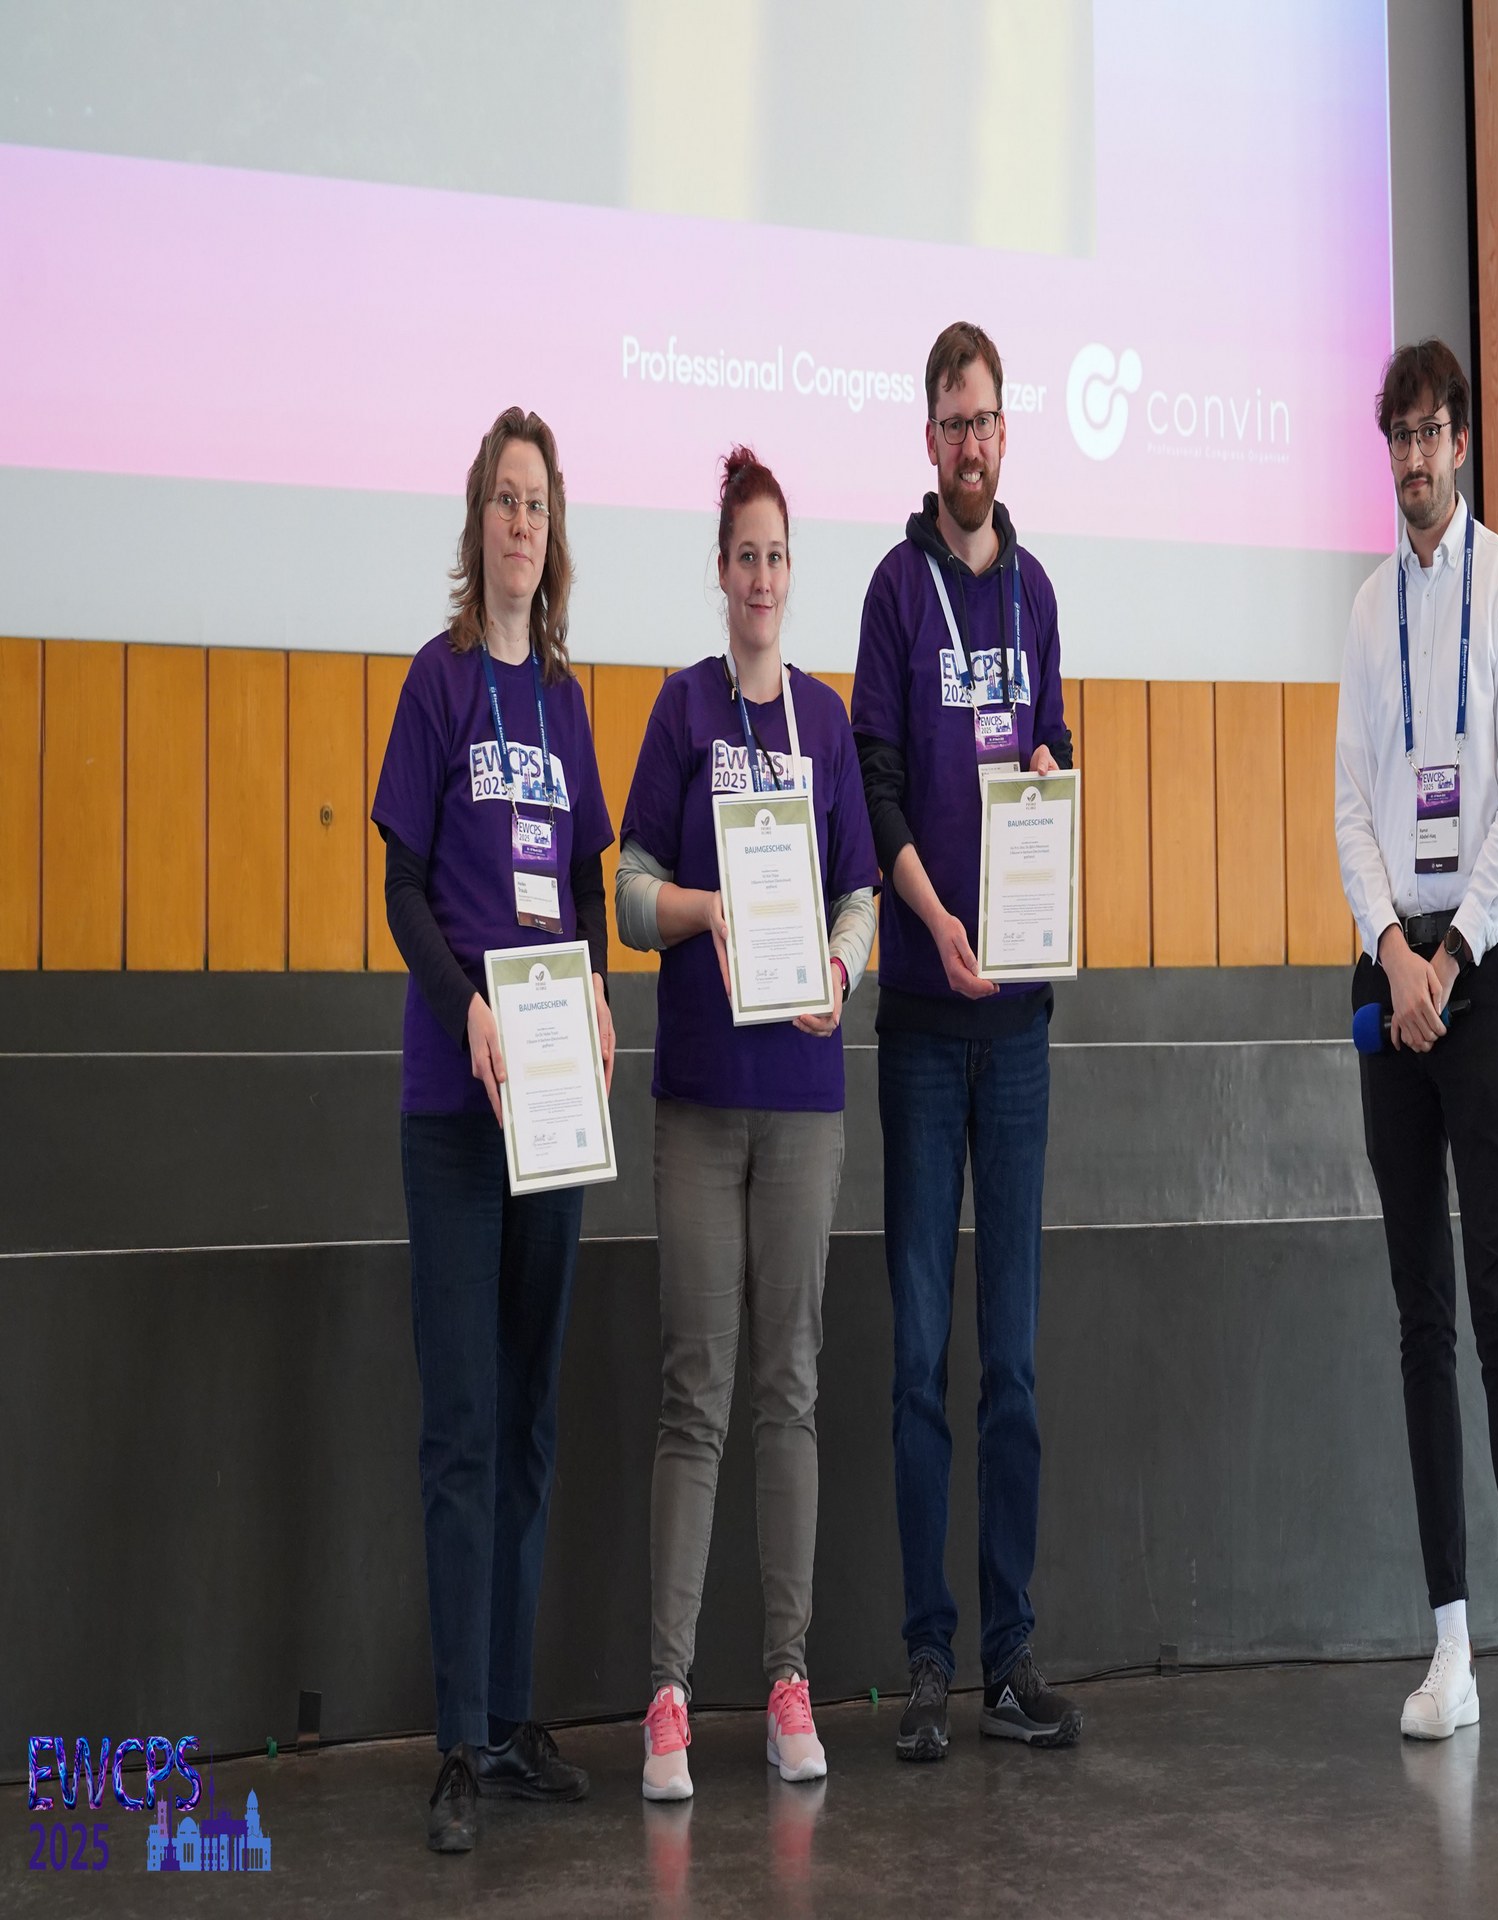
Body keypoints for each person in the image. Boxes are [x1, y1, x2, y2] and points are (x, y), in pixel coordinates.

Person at [1333, 339, 1498, 1760]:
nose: (1417, 458)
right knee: (1419, 1320)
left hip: (1475, 982)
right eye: (1400, 437)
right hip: (1390, 986)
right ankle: (1452, 1650)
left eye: (1434, 433)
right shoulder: (1366, 611)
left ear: (1465, 442)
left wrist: (1451, 957)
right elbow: (1350, 808)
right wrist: (1390, 950)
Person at [616, 447, 878, 1800]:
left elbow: (859, 896)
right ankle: (666, 1692)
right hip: (701, 1102)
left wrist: (836, 967)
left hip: (804, 1104)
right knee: (696, 1391)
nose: (763, 577)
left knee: (791, 1388)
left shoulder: (825, 723)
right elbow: (627, 892)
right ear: (719, 571)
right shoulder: (681, 711)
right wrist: (709, 911)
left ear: (789, 572)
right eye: (745, 556)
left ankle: (787, 1679)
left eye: (779, 556)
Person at [372, 406, 617, 1852]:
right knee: (462, 1423)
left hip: (556, 1109)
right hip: (456, 1109)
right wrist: (466, 1001)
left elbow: (581, 889)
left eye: (537, 504)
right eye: (502, 502)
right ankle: (458, 1742)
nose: (520, 524)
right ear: (477, 525)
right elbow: (401, 885)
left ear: (552, 530)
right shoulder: (439, 682)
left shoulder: (566, 705)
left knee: (529, 1415)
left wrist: (593, 998)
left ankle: (515, 1719)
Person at [852, 321, 1081, 1760]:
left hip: (1024, 1030)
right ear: (927, 438)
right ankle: (929, 1659)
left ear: (1007, 431)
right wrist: (933, 919)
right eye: (952, 422)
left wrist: (1051, 771)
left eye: (987, 419)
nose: (971, 443)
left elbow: (1051, 752)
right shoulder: (896, 592)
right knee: (919, 1356)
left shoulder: (1037, 592)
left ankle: (1008, 1657)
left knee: (1014, 1364)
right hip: (928, 1032)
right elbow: (875, 785)